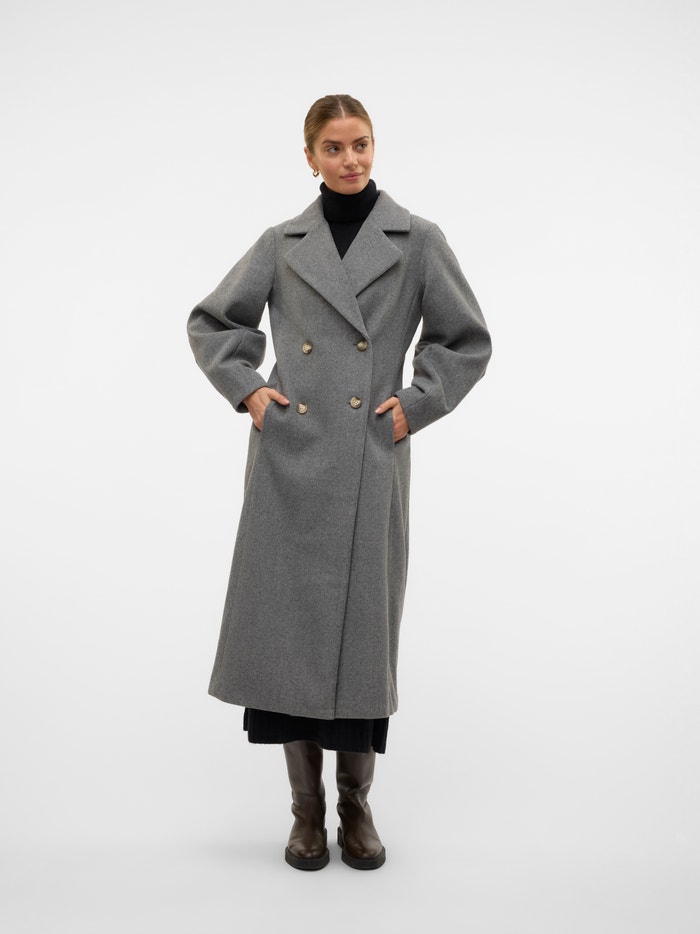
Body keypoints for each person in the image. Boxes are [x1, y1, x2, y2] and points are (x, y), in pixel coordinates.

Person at [187, 93, 491, 871]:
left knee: (361, 639)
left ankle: (355, 805)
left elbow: (465, 341)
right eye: (334, 147)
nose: (350, 159)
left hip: (367, 455)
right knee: (289, 635)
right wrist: (251, 391)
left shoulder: (418, 240)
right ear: (310, 157)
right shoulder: (282, 242)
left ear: (374, 147)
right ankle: (305, 811)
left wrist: (415, 404)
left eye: (361, 144)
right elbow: (215, 322)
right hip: (290, 458)